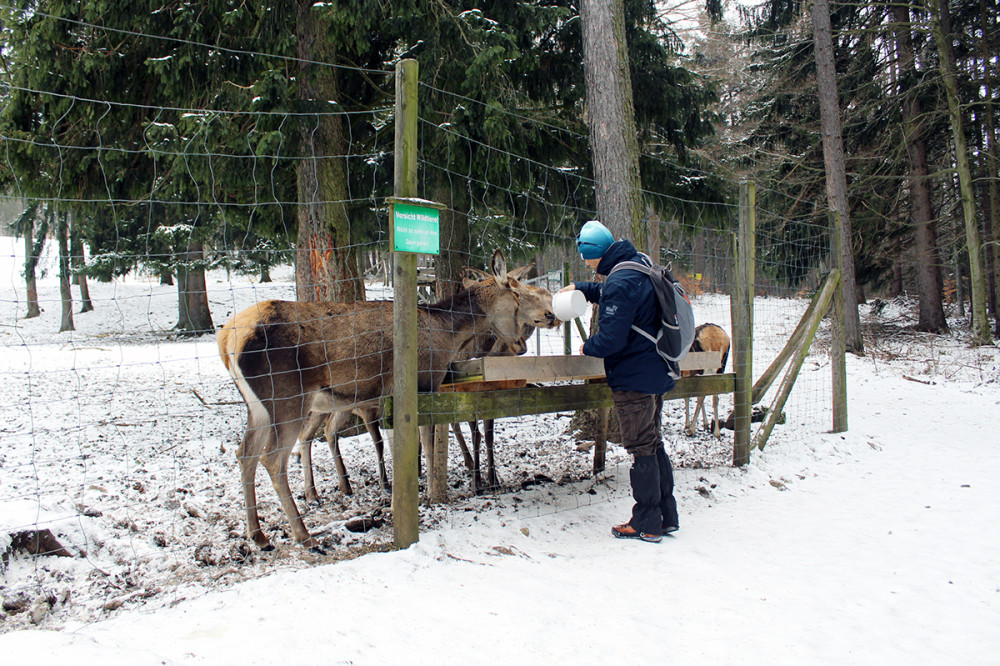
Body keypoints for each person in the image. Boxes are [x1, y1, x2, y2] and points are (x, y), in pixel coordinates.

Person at [560, 219, 679, 543]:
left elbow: (611, 339)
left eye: (586, 257)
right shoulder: (637, 263)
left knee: (641, 448)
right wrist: (584, 288)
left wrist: (589, 346)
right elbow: (617, 295)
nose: (586, 263)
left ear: (594, 253)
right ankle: (666, 516)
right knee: (653, 443)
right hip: (655, 368)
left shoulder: (620, 279)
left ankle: (646, 522)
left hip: (634, 377)